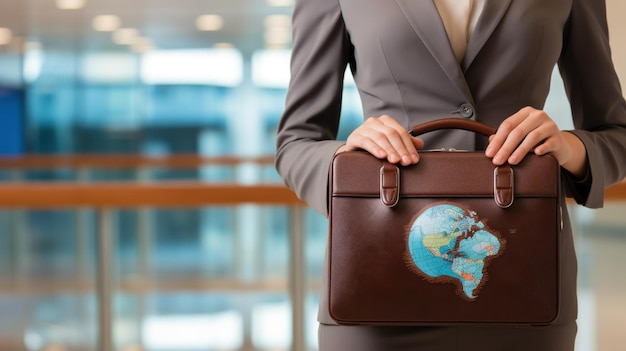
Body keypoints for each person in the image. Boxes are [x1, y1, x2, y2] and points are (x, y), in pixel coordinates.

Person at [275, 0, 626, 349]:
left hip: (524, 290)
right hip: (376, 292)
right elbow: (296, 143)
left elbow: (617, 135)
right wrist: (346, 160)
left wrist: (568, 147)